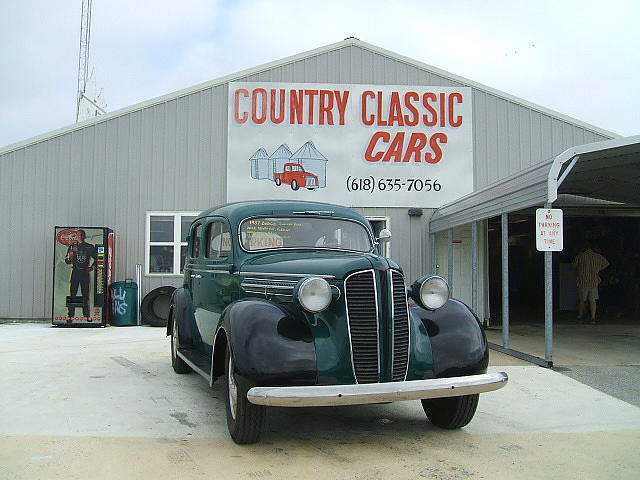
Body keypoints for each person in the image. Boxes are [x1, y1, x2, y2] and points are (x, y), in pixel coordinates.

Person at [571, 241, 610, 324]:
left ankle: (580, 316)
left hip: (583, 281)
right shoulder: (597, 256)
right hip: (593, 281)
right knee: (593, 300)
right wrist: (598, 269)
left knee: (582, 300)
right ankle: (593, 317)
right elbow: (607, 263)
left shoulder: (581, 256)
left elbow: (573, 265)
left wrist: (579, 270)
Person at [65, 229, 97, 319]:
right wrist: (69, 258)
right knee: (72, 293)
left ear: (84, 236)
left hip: (84, 272)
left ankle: (86, 315)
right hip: (75, 271)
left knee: (85, 294)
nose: (80, 237)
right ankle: (70, 315)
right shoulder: (72, 247)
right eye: (78, 235)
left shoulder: (89, 247)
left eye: (82, 235)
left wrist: (92, 267)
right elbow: (67, 261)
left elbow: (98, 258)